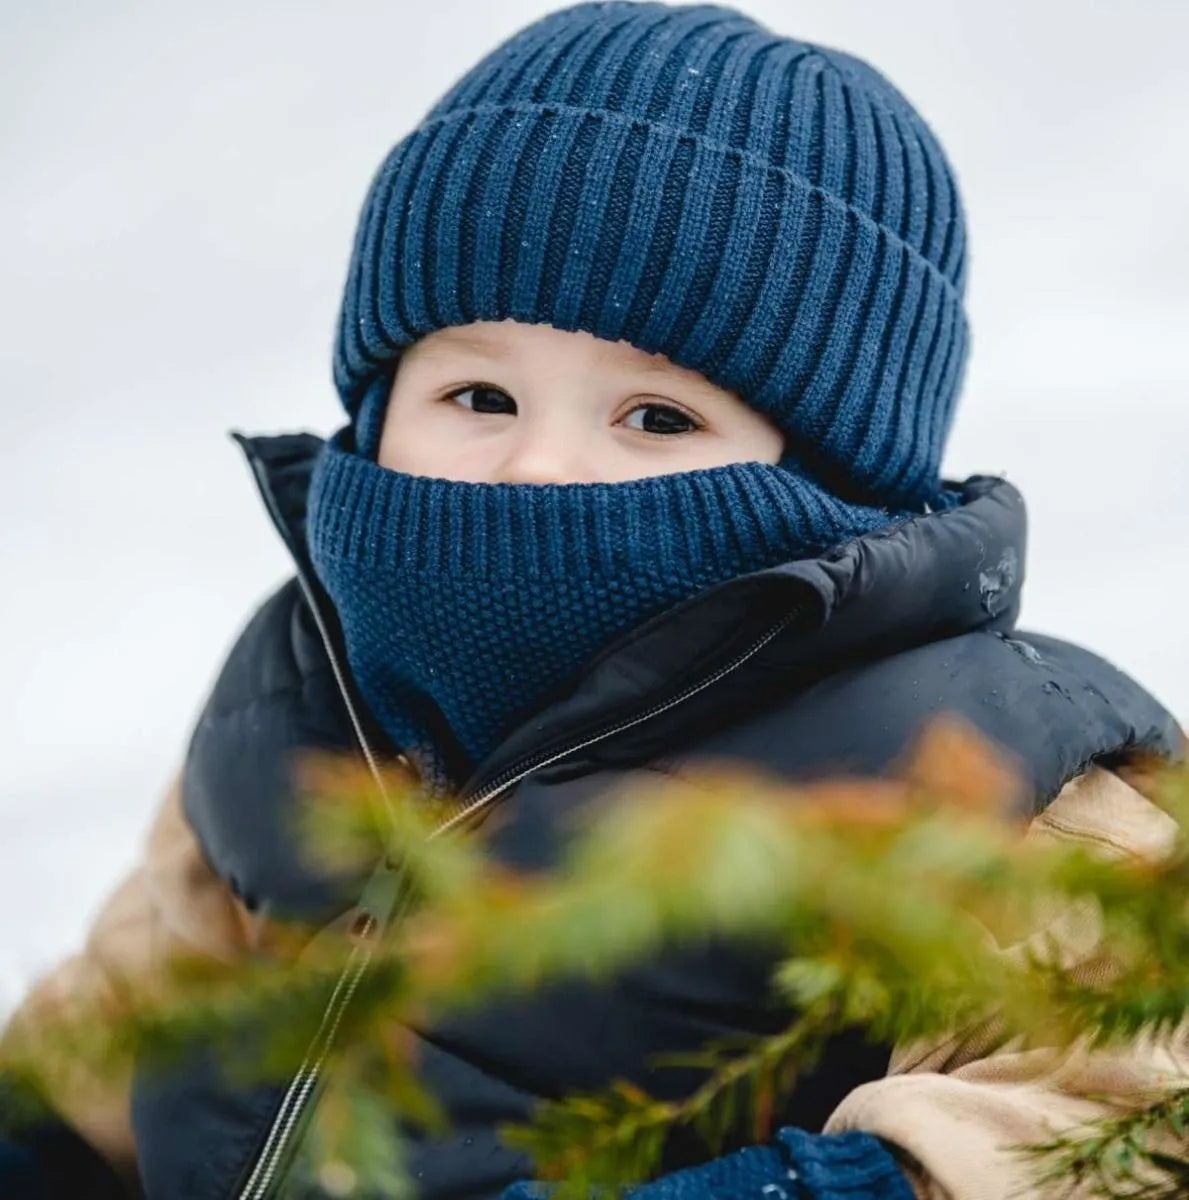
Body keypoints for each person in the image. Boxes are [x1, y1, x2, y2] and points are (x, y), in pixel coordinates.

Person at [2, 3, 1185, 1197]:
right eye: (476, 395)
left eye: (655, 418)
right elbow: (128, 1014)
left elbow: (1121, 1101)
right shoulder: (305, 685)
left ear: (831, 476)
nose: (538, 467)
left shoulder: (968, 768)